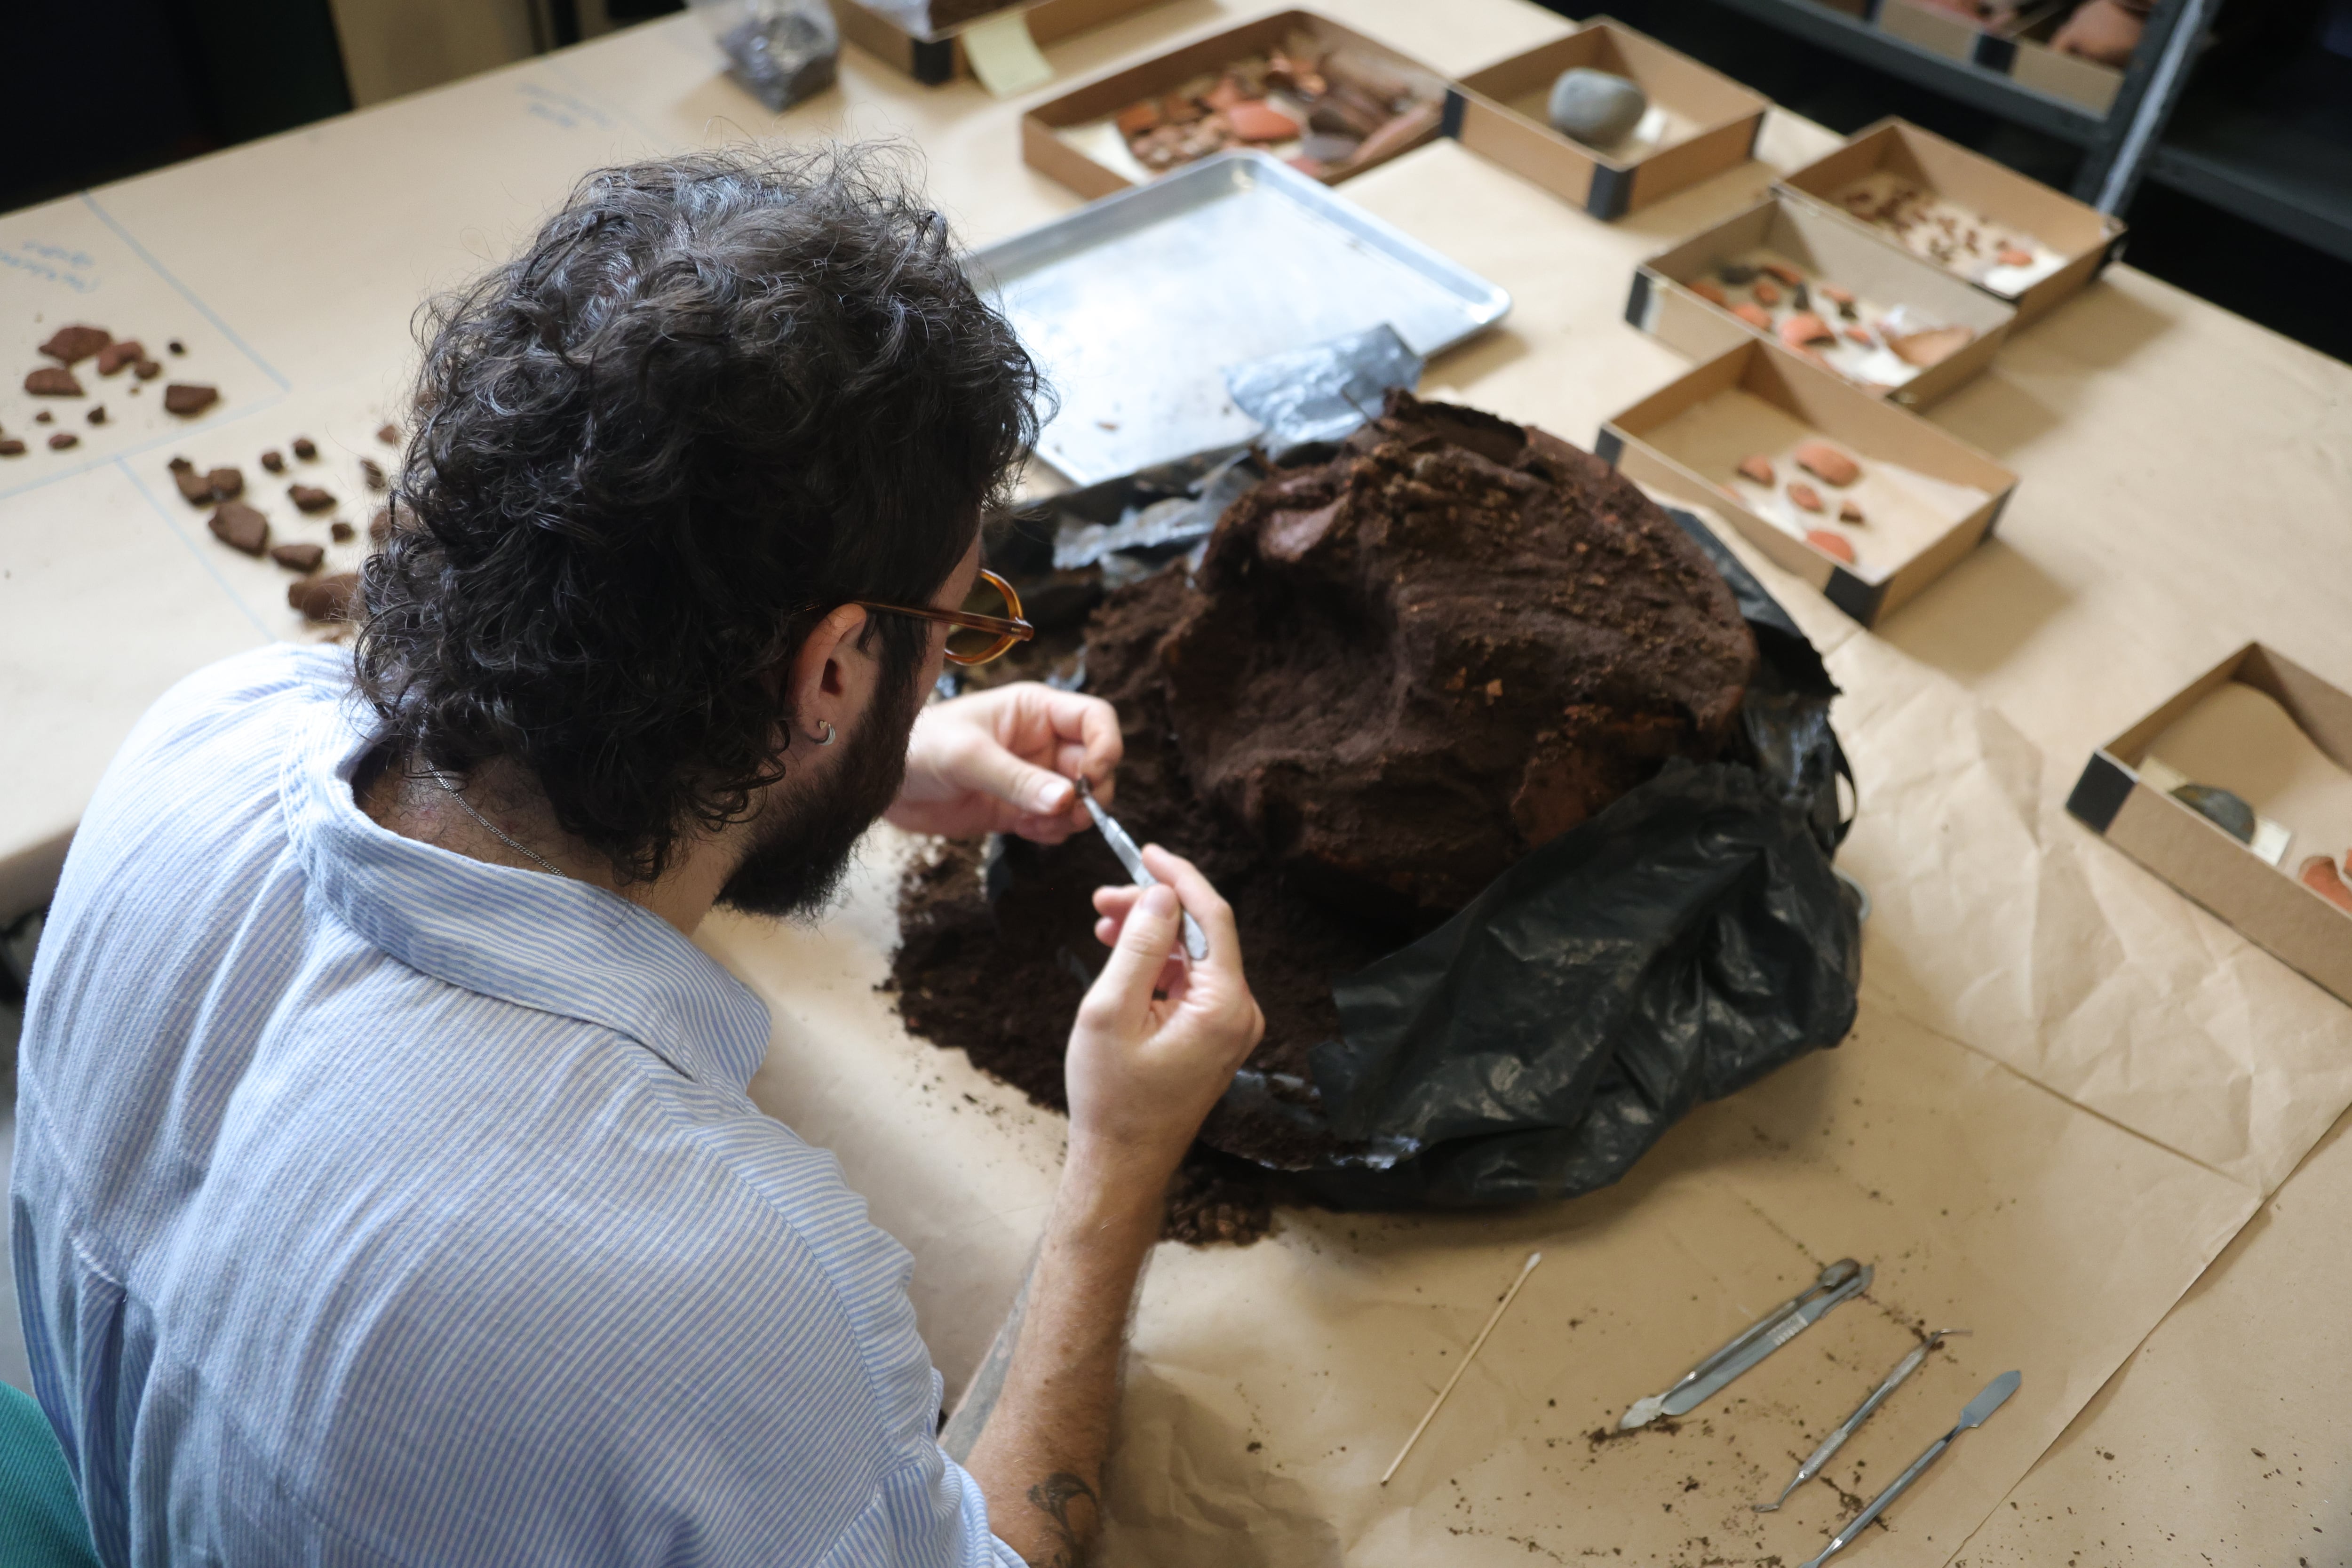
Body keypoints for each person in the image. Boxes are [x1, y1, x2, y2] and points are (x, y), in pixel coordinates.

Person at [11, 144, 1264, 1567]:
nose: (948, 672)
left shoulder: (205, 733)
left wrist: (870, 766)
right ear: (833, 670)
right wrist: (1117, 1170)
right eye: (955, 631)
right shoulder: (713, 1287)